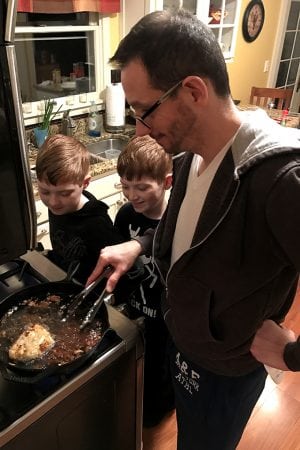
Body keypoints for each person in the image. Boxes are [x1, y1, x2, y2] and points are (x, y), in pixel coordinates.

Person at [86, 9, 300, 450]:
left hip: (225, 371)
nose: (140, 128)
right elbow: (192, 240)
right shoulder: (189, 160)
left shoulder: (280, 178)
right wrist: (139, 244)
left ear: (193, 91)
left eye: (146, 111)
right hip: (185, 347)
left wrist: (291, 354)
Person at [114, 135, 174, 427]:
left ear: (167, 182)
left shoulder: (175, 221)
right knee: (133, 360)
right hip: (134, 304)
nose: (132, 195)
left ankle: (157, 410)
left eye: (142, 187)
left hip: (164, 314)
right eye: (126, 187)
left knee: (159, 365)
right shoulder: (125, 215)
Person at [35, 134, 124, 284]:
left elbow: (120, 270)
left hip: (89, 291)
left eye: (64, 193)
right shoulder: (59, 206)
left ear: (85, 183)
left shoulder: (97, 223)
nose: (53, 202)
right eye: (44, 192)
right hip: (64, 279)